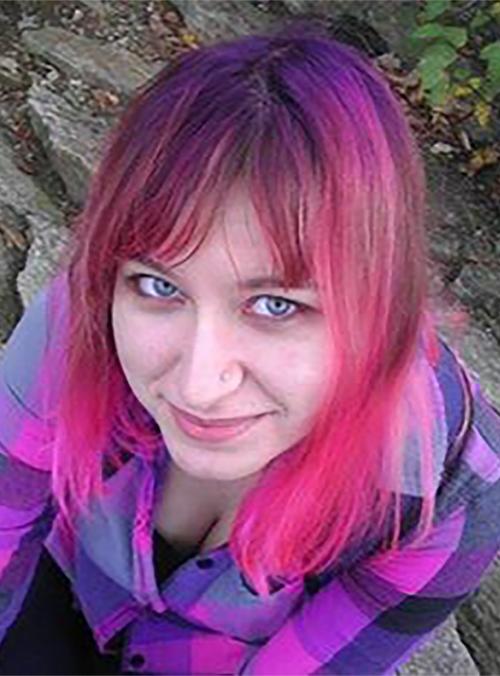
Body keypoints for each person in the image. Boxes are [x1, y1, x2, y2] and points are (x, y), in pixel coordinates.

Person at [0, 19, 499, 676]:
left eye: (276, 305)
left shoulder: (449, 492)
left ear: (381, 303)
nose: (199, 385)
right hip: (54, 595)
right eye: (159, 285)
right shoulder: (79, 323)